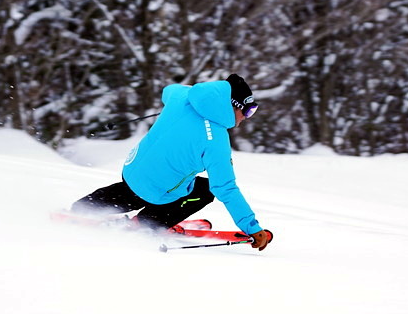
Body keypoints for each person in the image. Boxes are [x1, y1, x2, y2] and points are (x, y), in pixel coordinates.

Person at [72, 74, 273, 251]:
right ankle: (146, 223)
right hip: (157, 191)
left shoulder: (181, 97)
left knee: (138, 186)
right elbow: (225, 188)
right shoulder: (217, 141)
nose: (247, 117)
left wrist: (193, 97)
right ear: (233, 105)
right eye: (248, 111)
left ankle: (84, 208)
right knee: (206, 190)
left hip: (131, 170)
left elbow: (168, 90)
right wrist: (252, 228)